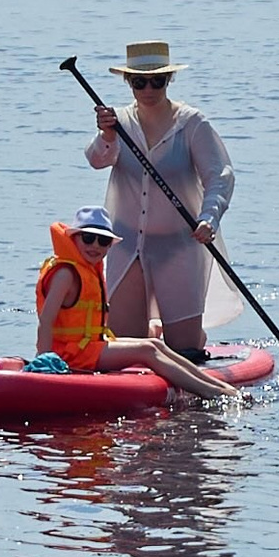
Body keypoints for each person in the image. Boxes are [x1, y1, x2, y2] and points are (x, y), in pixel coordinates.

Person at [86, 40, 234, 364]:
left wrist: (209, 218)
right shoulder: (117, 123)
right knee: (125, 345)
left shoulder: (192, 124)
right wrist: (107, 136)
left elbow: (220, 176)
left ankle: (185, 342)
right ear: (129, 82)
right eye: (140, 82)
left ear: (169, 80)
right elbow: (97, 159)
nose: (149, 89)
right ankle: (151, 338)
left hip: (179, 247)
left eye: (158, 81)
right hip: (127, 246)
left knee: (186, 350)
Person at [37, 205, 239, 399]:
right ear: (74, 238)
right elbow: (46, 321)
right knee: (147, 351)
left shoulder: (88, 269)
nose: (95, 246)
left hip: (89, 346)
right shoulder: (66, 274)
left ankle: (219, 385)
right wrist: (44, 362)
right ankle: (211, 392)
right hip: (71, 354)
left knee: (154, 343)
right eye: (88, 238)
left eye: (103, 241)